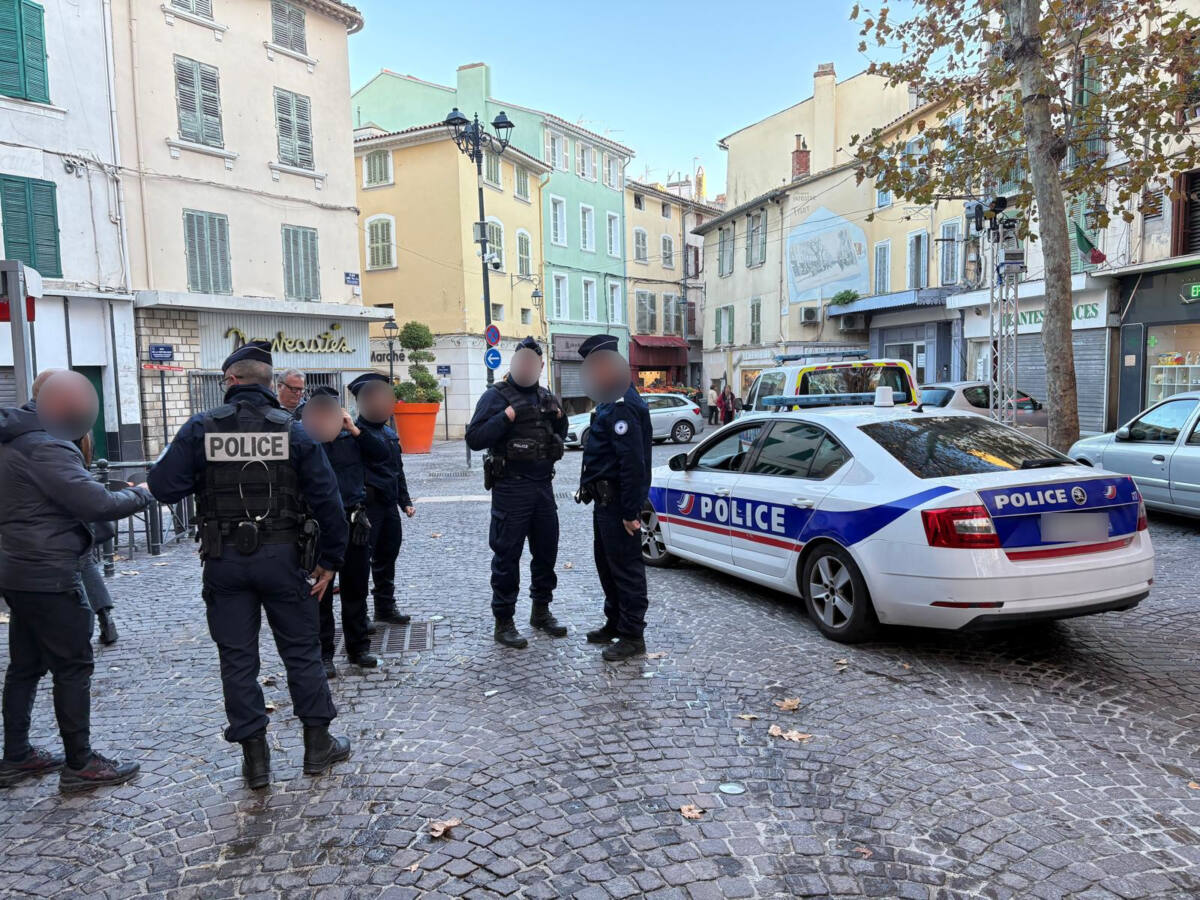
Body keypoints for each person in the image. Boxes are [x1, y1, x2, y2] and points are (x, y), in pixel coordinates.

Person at [147, 341, 352, 790]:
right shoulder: (292, 430)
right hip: (283, 558)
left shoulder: (202, 428)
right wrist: (330, 561)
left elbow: (162, 486)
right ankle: (318, 745)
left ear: (231, 381)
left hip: (224, 559)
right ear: (270, 383)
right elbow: (328, 501)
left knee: (237, 660)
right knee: (301, 652)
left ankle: (255, 760)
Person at [0, 370, 153, 792]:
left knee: (25, 667)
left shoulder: (14, 435)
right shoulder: (47, 446)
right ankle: (81, 763)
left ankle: (16, 755)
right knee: (73, 667)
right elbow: (96, 502)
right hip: (50, 574)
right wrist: (143, 491)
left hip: (18, 570)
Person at [465, 336, 568, 649]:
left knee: (546, 552)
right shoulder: (495, 397)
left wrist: (559, 418)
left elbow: (559, 438)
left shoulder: (546, 396)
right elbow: (475, 437)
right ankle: (504, 620)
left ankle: (541, 610)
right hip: (511, 488)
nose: (527, 367)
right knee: (507, 556)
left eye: (532, 363)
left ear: (539, 366)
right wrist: (506, 416)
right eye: (521, 362)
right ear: (513, 365)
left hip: (543, 488)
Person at [301, 387, 387, 677]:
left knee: (355, 589)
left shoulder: (353, 436)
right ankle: (324, 655)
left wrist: (354, 430)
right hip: (318, 528)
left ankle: (358, 648)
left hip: (353, 522)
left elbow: (382, 456)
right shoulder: (304, 441)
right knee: (320, 594)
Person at [576, 335, 653, 661]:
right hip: (604, 503)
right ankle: (615, 622)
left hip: (619, 504)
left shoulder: (623, 406)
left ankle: (633, 635)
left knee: (626, 570)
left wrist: (630, 510)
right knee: (607, 567)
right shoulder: (611, 401)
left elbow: (632, 463)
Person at [351, 373, 415, 626]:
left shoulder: (389, 433)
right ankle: (360, 615)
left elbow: (397, 471)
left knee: (387, 557)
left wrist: (405, 501)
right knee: (361, 563)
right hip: (367, 508)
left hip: (388, 506)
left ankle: (385, 607)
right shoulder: (353, 434)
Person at [75, 433, 119, 646]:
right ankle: (105, 617)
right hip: (79, 496)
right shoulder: (81, 429)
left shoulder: (49, 429)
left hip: (57, 500)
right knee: (85, 560)